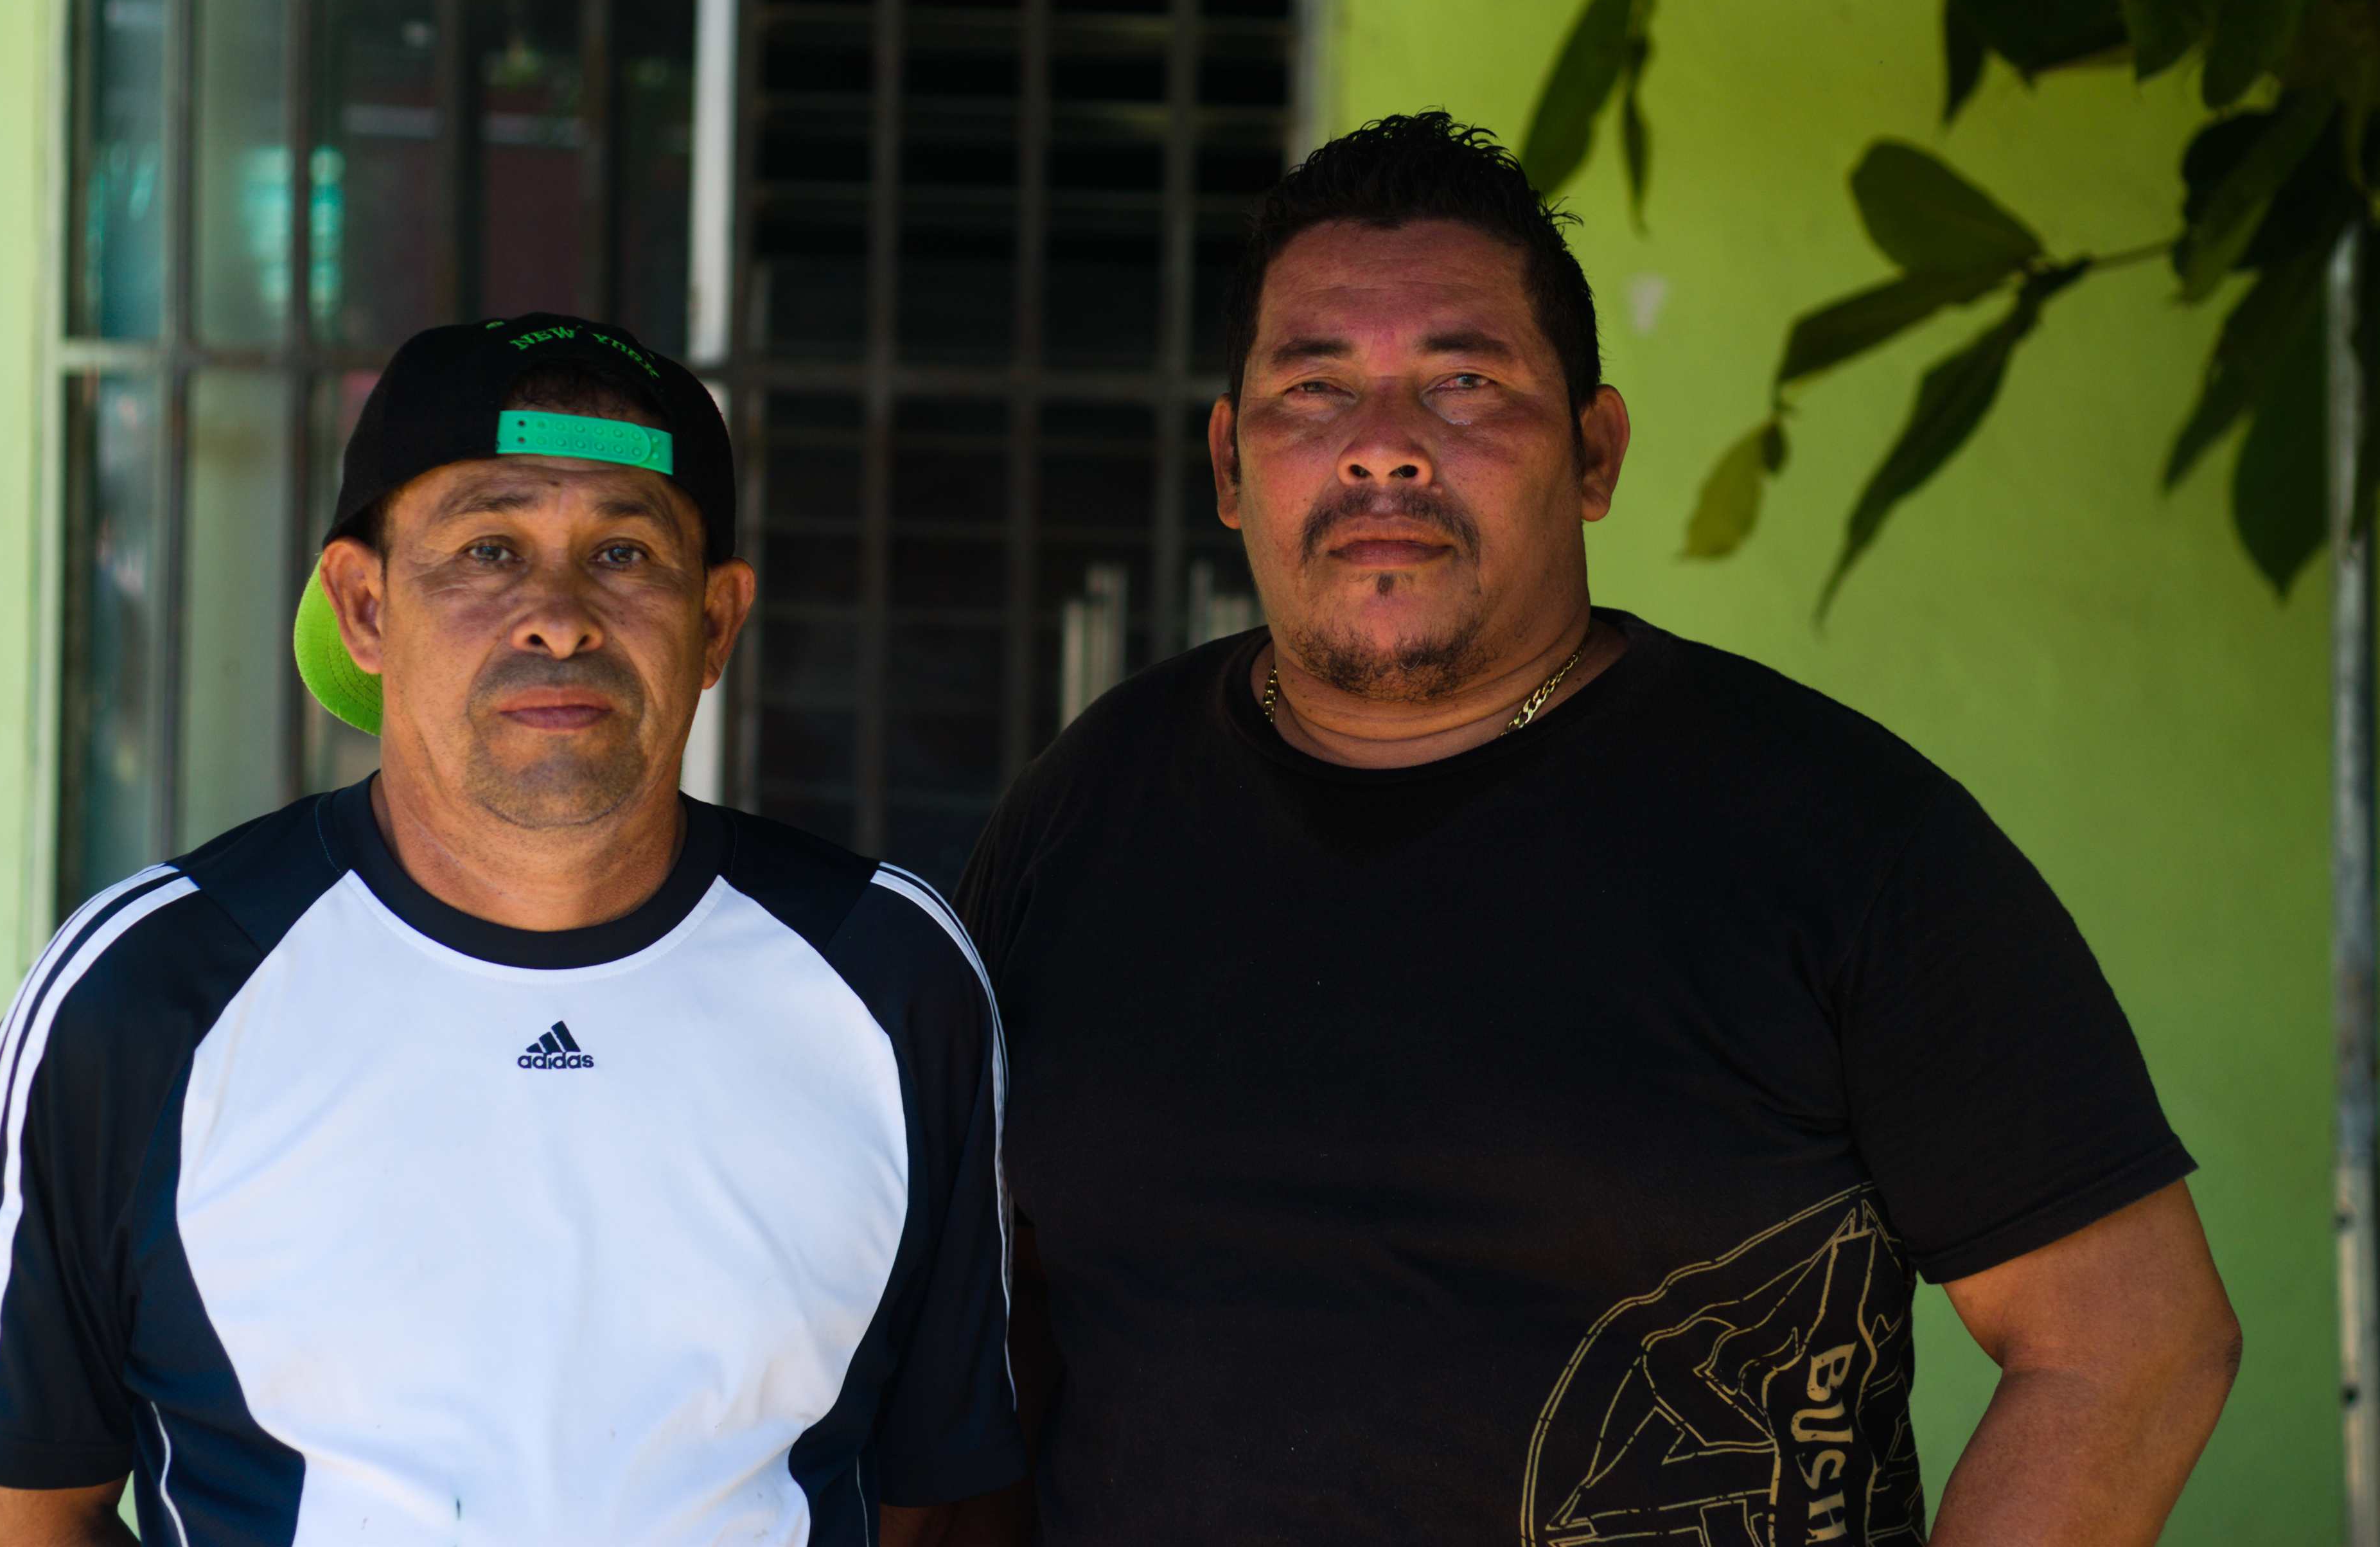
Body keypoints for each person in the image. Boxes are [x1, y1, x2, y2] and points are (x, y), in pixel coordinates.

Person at [953, 115, 2241, 1546]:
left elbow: (2129, 1340)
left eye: (1462, 382)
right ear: (1228, 461)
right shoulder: (1084, 813)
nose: (1381, 450)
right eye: (1313, 389)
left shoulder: (1835, 836)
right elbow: (980, 1347)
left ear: (1592, 451)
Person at [0, 313, 1021, 1546]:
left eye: (624, 553)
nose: (558, 616)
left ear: (717, 623)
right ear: (364, 607)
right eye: (488, 549)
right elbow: (28, 1505)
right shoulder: (141, 995)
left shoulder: (890, 978)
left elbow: (949, 1495)